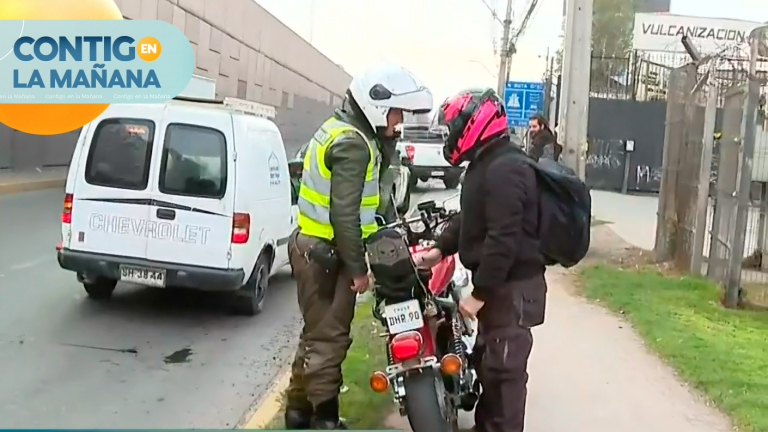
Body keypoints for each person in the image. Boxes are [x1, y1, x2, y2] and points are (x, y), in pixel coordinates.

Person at [284, 64, 433, 430]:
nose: (399, 122)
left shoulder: (349, 133)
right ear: (378, 107)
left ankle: (298, 412)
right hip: (326, 254)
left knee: (316, 335)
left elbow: (373, 202)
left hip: (316, 248)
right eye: (397, 113)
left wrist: (388, 141)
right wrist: (358, 271)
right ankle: (324, 421)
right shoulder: (353, 144)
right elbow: (345, 216)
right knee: (329, 340)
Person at [416, 88, 547, 432]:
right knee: (490, 362)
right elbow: (471, 219)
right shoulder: (487, 163)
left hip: (513, 288)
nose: (453, 134)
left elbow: (503, 239)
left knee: (505, 372)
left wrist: (479, 294)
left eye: (456, 126)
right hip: (500, 287)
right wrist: (439, 249)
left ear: (476, 123)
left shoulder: (508, 169)